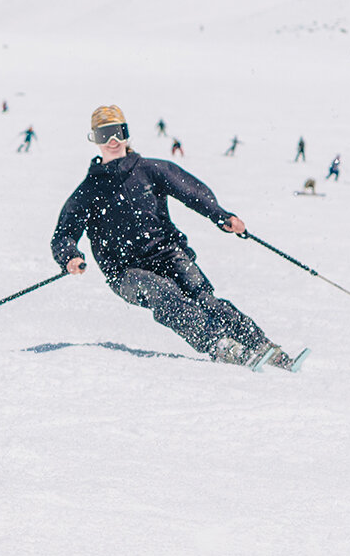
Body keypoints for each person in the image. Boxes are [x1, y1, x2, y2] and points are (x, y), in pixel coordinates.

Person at [51, 105, 303, 371]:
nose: (113, 142)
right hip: (124, 271)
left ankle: (262, 347)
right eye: (105, 135)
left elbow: (191, 192)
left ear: (127, 134)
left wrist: (222, 217)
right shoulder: (89, 191)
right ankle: (219, 344)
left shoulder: (150, 169)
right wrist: (70, 257)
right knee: (165, 295)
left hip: (167, 253)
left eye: (118, 132)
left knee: (205, 298)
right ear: (95, 140)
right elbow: (64, 234)